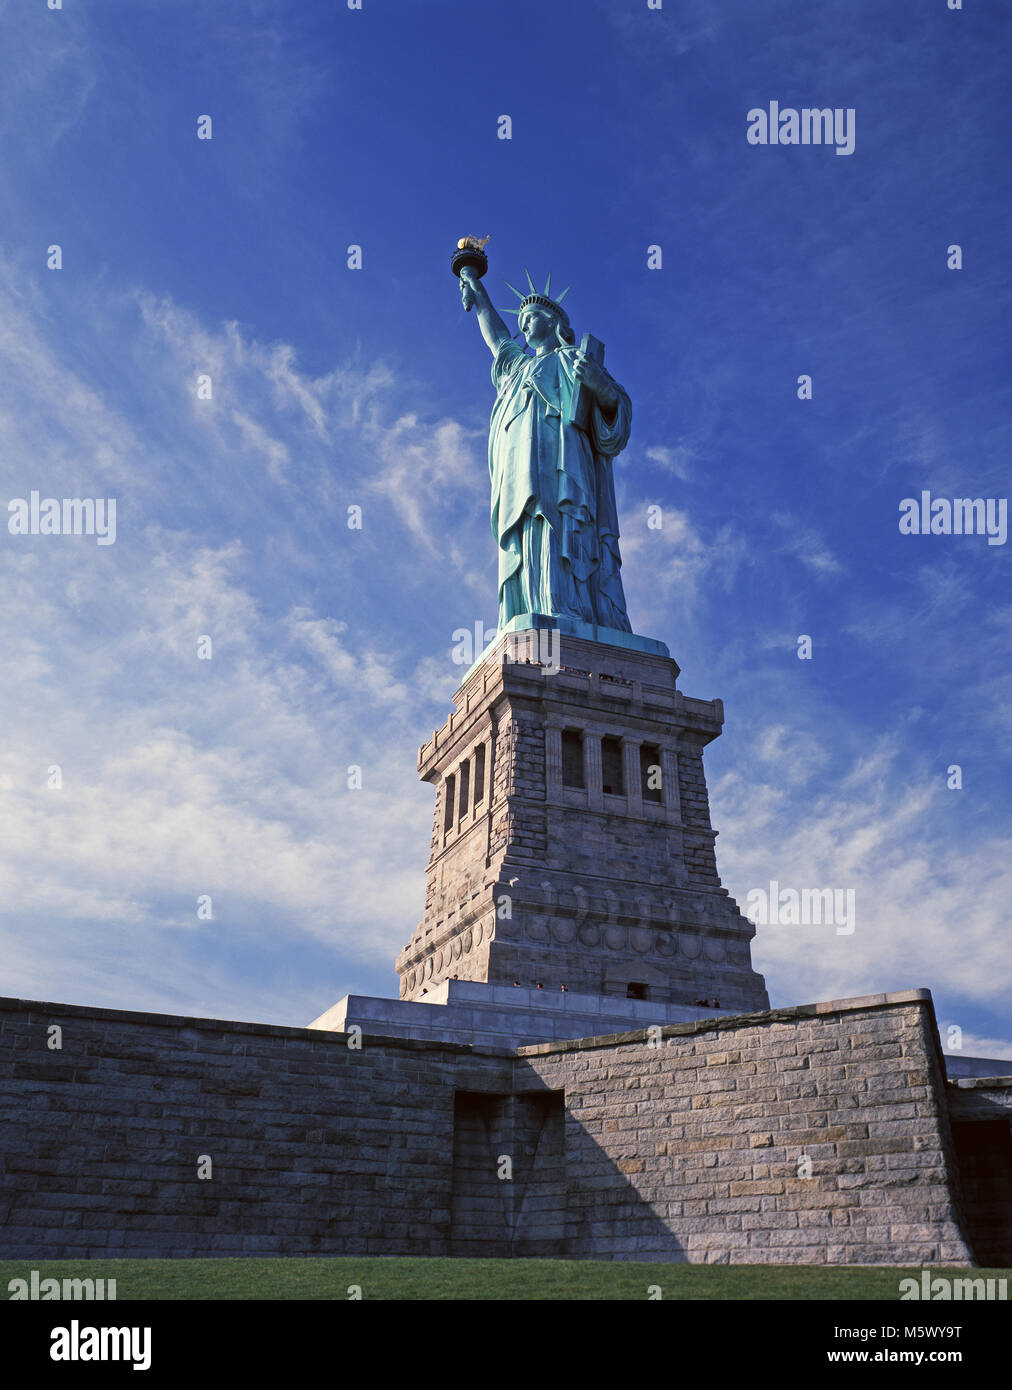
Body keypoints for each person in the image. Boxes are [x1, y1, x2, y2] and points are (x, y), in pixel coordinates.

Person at [459, 269, 633, 633]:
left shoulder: (573, 359)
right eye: (520, 320)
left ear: (553, 322)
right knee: (530, 528)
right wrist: (479, 295)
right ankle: (533, 605)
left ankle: (569, 609)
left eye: (532, 317)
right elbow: (497, 339)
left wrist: (601, 386)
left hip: (565, 466)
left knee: (561, 524)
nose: (524, 325)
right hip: (520, 471)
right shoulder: (517, 368)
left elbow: (614, 418)